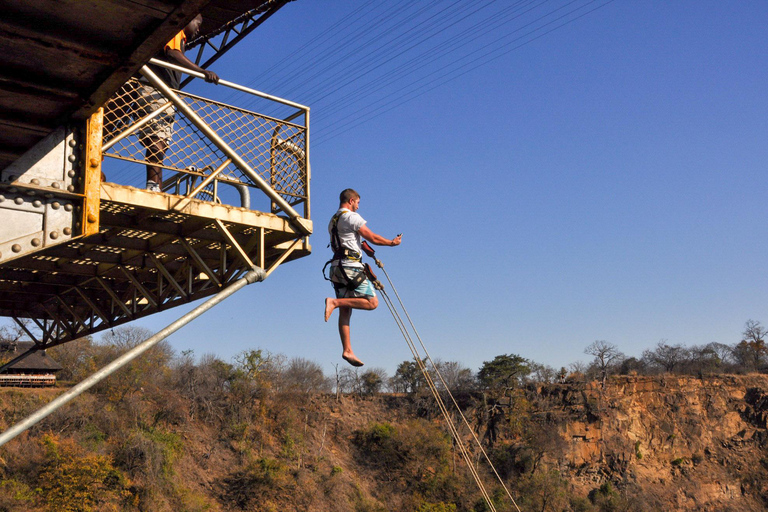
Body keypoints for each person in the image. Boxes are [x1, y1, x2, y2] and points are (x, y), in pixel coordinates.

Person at [137, 14, 219, 192]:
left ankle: (155, 185)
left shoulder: (180, 38)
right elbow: (172, 52)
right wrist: (201, 71)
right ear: (187, 19)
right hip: (156, 90)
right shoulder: (175, 32)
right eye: (198, 24)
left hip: (164, 94)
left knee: (161, 140)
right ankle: (153, 186)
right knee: (156, 137)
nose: (198, 29)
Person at [324, 189, 402, 367]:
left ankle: (347, 349)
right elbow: (372, 237)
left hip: (336, 268)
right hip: (350, 267)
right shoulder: (352, 217)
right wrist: (392, 242)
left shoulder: (333, 220)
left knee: (346, 308)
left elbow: (353, 240)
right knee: (372, 302)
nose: (358, 206)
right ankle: (333, 303)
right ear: (351, 201)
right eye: (358, 203)